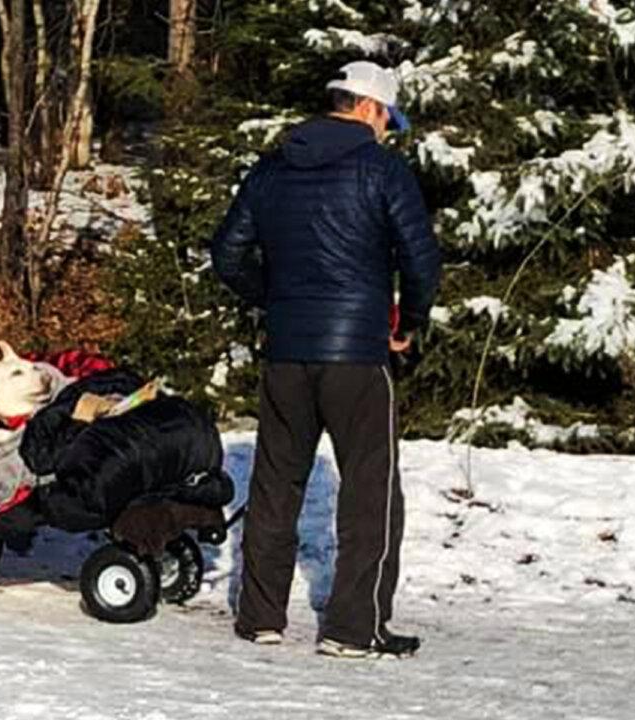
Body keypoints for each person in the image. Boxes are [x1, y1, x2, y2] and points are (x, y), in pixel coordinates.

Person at [210, 61, 441, 658]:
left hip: (287, 352)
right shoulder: (383, 170)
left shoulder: (272, 167)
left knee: (275, 483)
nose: (387, 129)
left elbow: (228, 254)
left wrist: (277, 300)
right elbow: (421, 261)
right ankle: (353, 629)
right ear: (367, 107)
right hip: (359, 354)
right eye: (387, 117)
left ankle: (259, 617)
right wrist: (408, 324)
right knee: (370, 490)